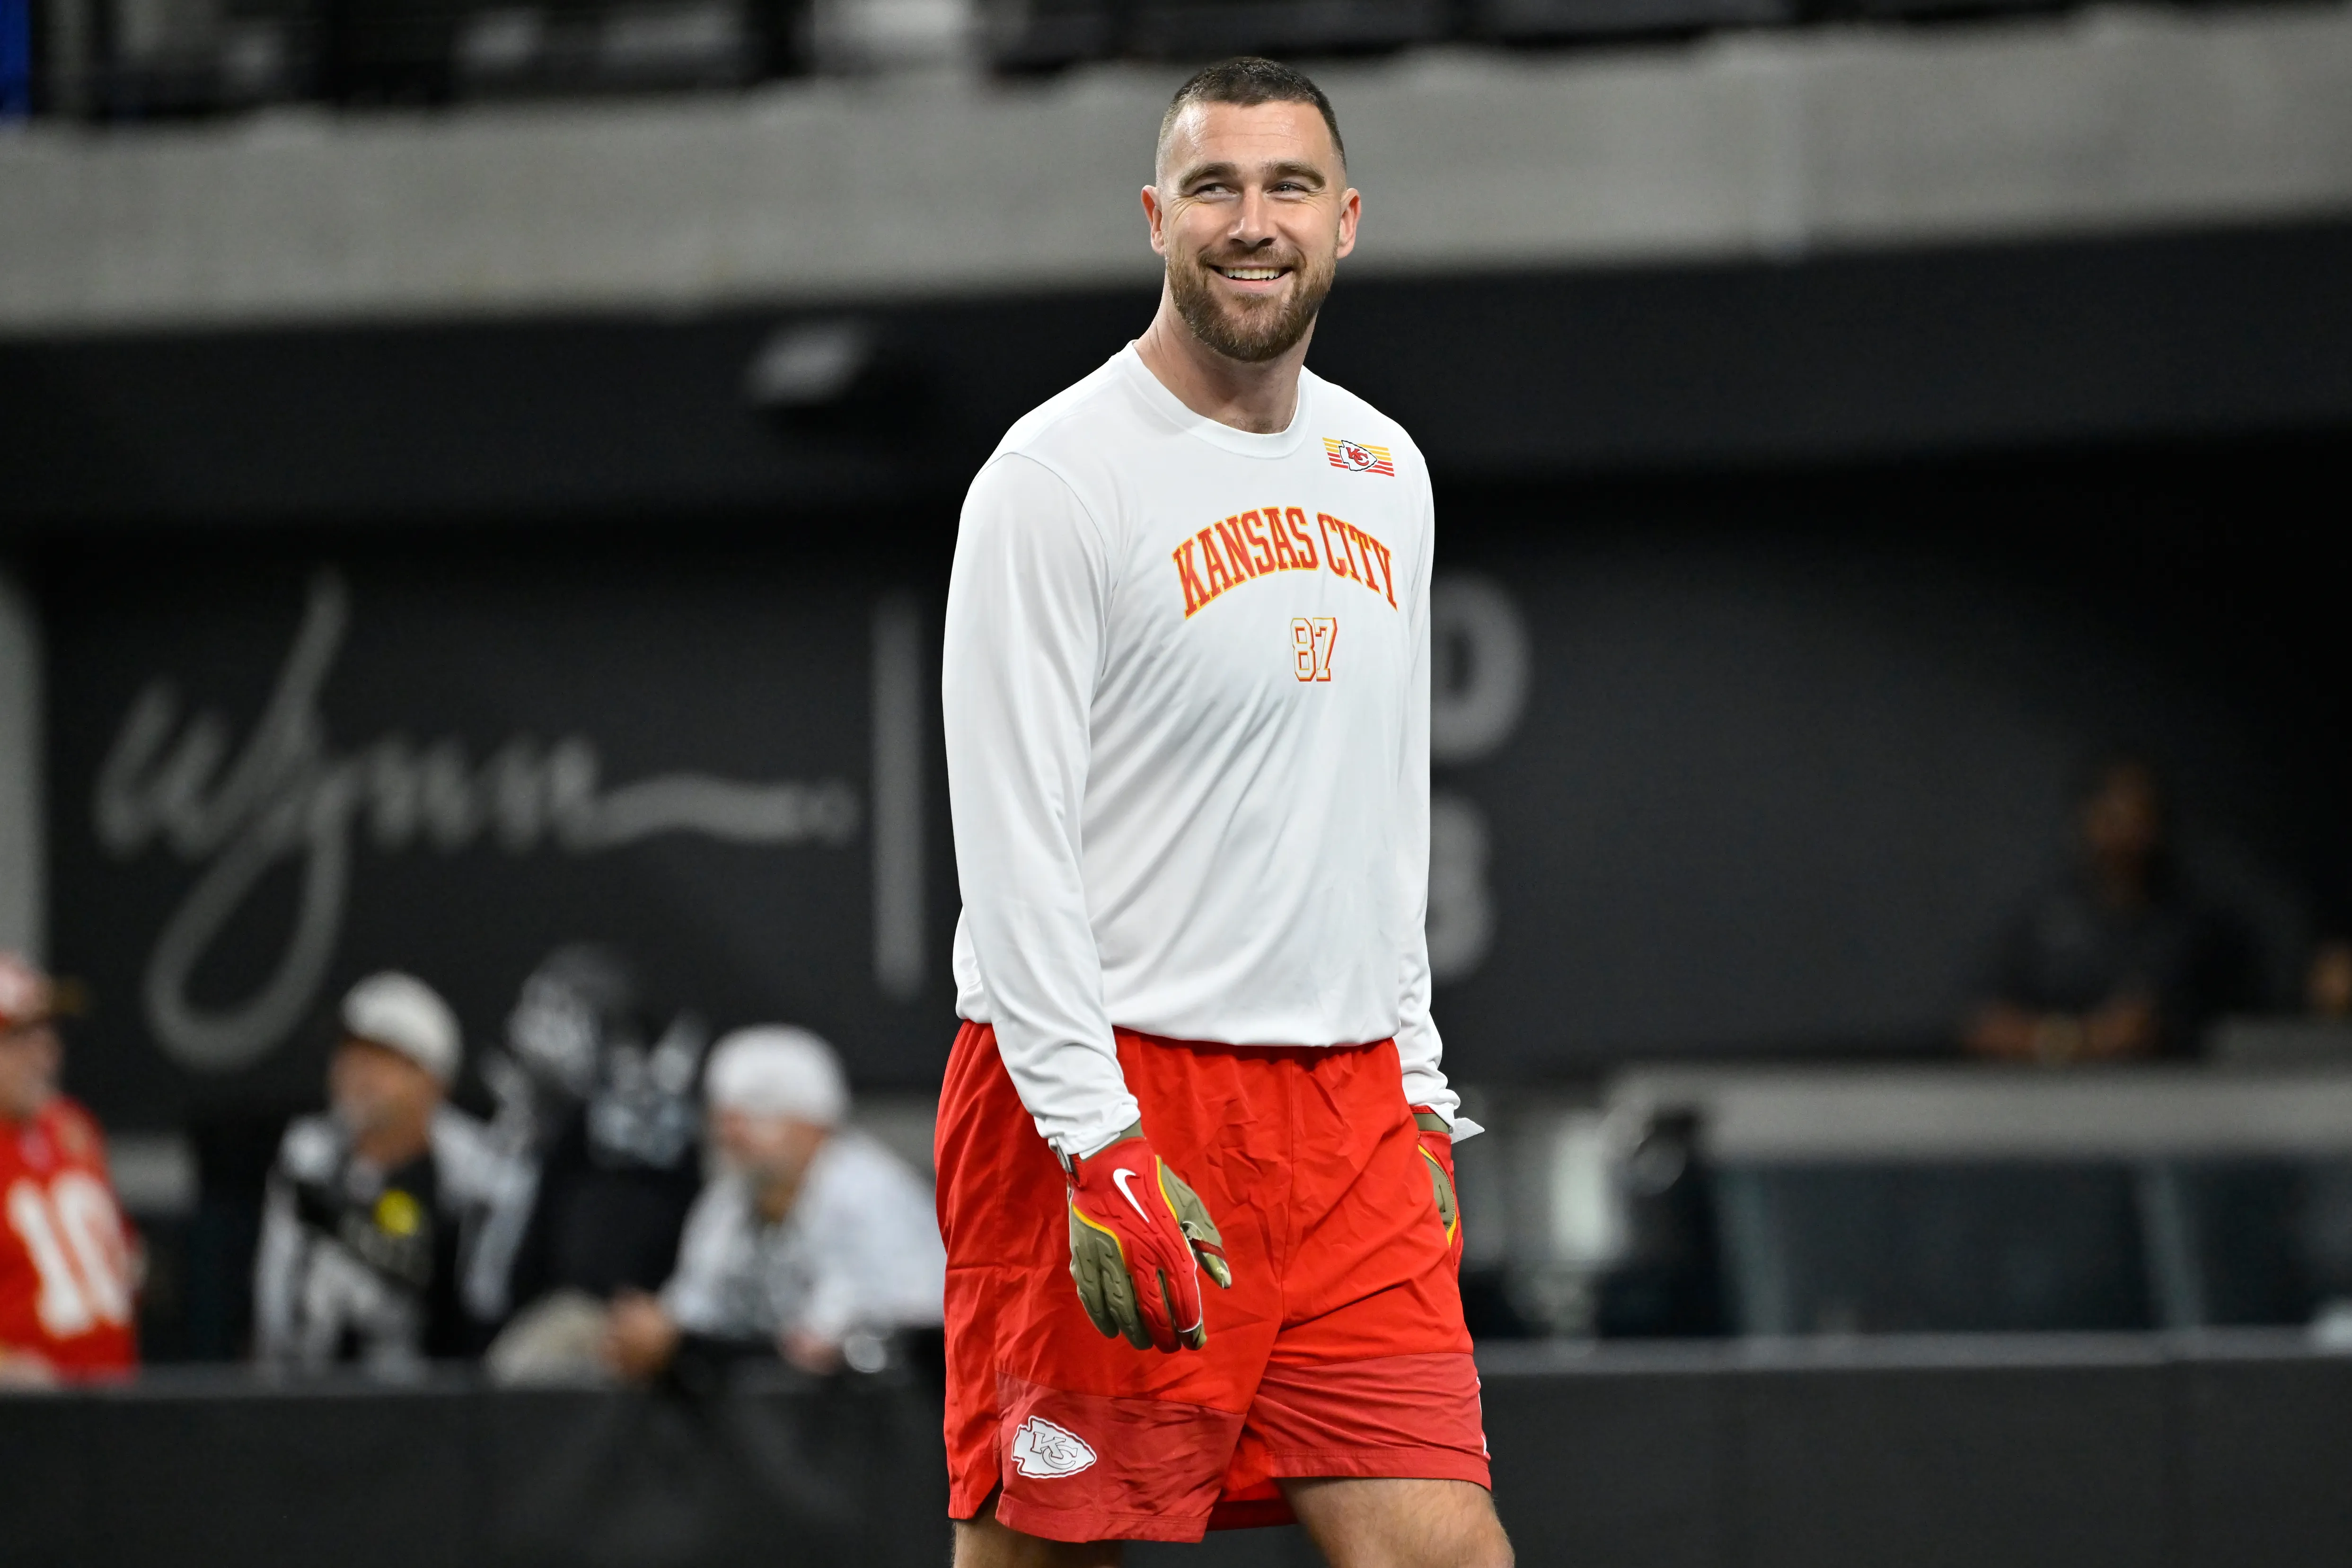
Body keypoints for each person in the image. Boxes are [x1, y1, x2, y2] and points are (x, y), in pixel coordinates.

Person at [936, 58, 1509, 1567]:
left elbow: (1379, 807)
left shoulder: (1384, 467)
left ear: (1345, 220)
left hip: (1346, 1115)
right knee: (1044, 1549)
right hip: (1112, 1090)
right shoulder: (1052, 478)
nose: (1252, 222)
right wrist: (1092, 1134)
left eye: (1287, 187)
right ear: (1154, 217)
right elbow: (1008, 842)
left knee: (1442, 1546)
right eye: (1214, 187)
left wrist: (1415, 1085)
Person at [601, 1026, 943, 1384]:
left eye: (758, 1113)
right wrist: (657, 1333)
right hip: (773, 1409)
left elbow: (907, 1337)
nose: (732, 1134)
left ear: (817, 1124)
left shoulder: (867, 1196)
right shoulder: (726, 1205)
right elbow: (695, 1313)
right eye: (724, 1115)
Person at [253, 971, 511, 1374]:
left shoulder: (477, 1173)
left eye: (379, 1059)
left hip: (430, 1393)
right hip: (310, 1390)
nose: (356, 1071)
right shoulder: (308, 1156)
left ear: (431, 1079)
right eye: (349, 1053)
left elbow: (483, 1308)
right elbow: (276, 1295)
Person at [470, 945, 704, 1329]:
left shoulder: (634, 1131)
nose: (529, 1029)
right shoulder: (528, 1135)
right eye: (534, 1007)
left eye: (558, 1013)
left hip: (601, 1324)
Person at [1964, 756, 2258, 1062]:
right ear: (2085, 818)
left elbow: (2249, 1031)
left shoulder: (2200, 925)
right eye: (2113, 816)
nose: (2127, 834)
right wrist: (2082, 1038)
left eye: (2140, 816)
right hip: (2057, 1088)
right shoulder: (2041, 921)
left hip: (2176, 1085)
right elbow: (1982, 1026)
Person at [0, 953, 138, 1386]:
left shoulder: (72, 1128)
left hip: (112, 1402)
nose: (45, 1054)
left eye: (47, 1033)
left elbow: (123, 1260)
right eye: (20, 1037)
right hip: (24, 1417)